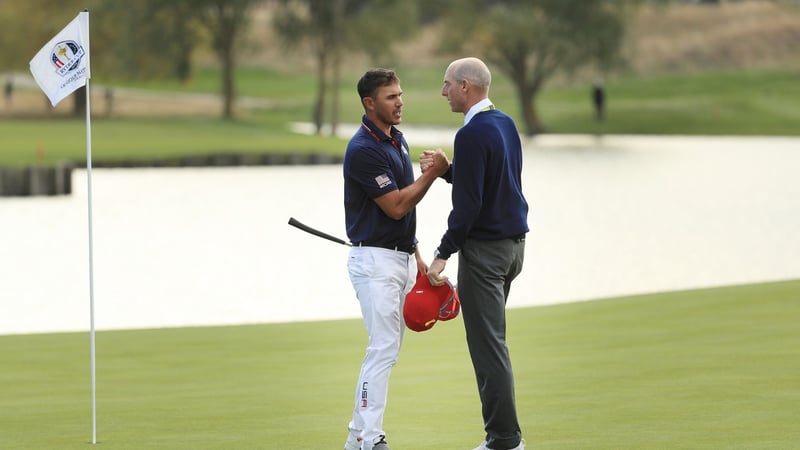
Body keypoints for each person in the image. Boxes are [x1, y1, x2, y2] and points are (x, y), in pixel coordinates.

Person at [421, 57, 529, 450]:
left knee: (488, 348)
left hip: (485, 255)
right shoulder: (503, 122)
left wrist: (442, 252)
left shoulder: (471, 134)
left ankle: (504, 440)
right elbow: (491, 183)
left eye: (447, 84)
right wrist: (450, 169)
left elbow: (468, 208)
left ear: (466, 86)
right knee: (493, 343)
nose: (443, 91)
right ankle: (504, 437)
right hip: (513, 250)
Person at [342, 68, 449, 450]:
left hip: (400, 258)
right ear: (370, 103)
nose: (400, 101)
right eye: (391, 97)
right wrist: (434, 174)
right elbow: (398, 206)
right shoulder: (363, 150)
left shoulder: (396, 141)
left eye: (400, 94)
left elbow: (403, 210)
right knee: (383, 347)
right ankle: (371, 439)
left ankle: (358, 437)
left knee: (388, 349)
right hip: (374, 262)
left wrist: (417, 254)